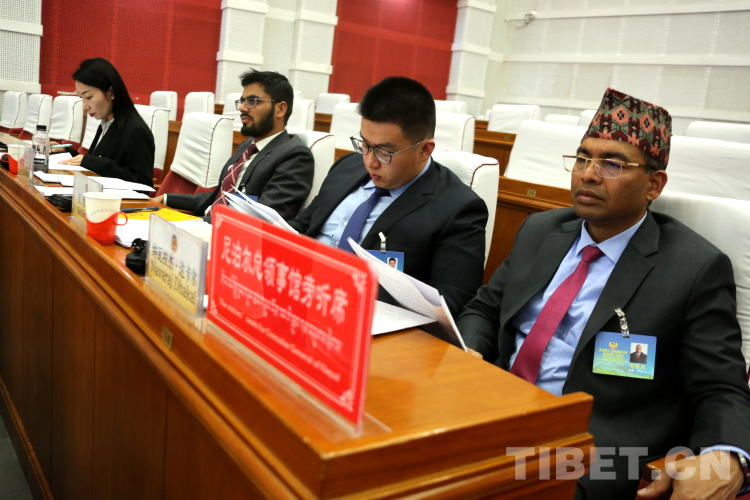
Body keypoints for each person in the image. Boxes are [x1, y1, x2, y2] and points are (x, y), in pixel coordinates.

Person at [456, 87, 750, 499]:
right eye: (582, 159)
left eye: (612, 164)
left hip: (589, 449)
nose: (588, 174)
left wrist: (726, 456)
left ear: (654, 185)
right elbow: (486, 309)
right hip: (495, 409)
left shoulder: (694, 269)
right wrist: (470, 351)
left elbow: (720, 388)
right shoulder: (541, 231)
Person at [288, 76, 487, 318]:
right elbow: (304, 225)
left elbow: (451, 302)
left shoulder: (458, 208)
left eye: (384, 152)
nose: (370, 161)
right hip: (296, 290)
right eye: (364, 144)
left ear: (424, 150)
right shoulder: (347, 166)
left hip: (362, 315)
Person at [152, 70, 314, 221]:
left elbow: (261, 218)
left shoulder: (295, 156)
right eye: (242, 101)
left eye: (252, 101)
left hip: (224, 233)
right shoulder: (247, 146)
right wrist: (166, 198)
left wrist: (195, 224)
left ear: (280, 109)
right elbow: (217, 198)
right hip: (205, 223)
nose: (242, 108)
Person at [60, 58, 155, 187]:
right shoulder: (107, 123)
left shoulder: (136, 130)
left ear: (111, 92)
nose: (84, 106)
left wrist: (92, 162)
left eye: (88, 97)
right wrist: (65, 151)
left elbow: (143, 183)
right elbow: (96, 161)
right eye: (82, 98)